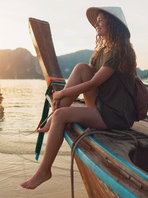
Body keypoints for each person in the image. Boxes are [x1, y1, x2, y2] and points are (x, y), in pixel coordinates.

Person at [20, 6, 137, 189]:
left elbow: (93, 84)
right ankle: (54, 117)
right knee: (81, 68)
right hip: (102, 105)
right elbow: (85, 77)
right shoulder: (102, 51)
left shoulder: (120, 51)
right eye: (96, 21)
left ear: (113, 24)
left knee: (61, 116)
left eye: (100, 20)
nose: (96, 24)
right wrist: (63, 95)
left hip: (115, 114)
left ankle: (44, 171)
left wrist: (61, 93)